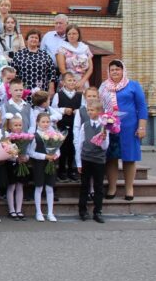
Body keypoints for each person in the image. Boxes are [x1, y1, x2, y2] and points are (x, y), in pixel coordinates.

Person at [98, 60, 148, 201]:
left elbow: (142, 107)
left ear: (123, 70)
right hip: (110, 127)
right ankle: (112, 187)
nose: (115, 72)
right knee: (111, 158)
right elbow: (99, 106)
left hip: (130, 127)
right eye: (112, 69)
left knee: (129, 158)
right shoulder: (104, 86)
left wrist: (142, 127)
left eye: (117, 69)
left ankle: (129, 188)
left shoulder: (133, 85)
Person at [75, 99, 108, 223]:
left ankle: (97, 211)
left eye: (92, 110)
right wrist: (78, 162)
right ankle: (82, 211)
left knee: (98, 186)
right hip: (86, 158)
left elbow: (105, 147)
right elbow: (80, 143)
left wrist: (103, 138)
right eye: (88, 110)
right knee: (84, 185)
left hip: (98, 160)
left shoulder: (104, 126)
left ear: (99, 112)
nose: (89, 112)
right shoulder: (85, 125)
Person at [28, 112, 59, 222]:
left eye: (47, 122)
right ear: (37, 123)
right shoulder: (35, 136)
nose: (45, 124)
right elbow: (31, 152)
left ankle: (50, 212)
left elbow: (58, 148)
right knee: (39, 187)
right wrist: (44, 156)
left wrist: (55, 155)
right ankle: (39, 212)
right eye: (43, 122)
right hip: (39, 164)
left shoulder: (54, 135)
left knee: (50, 187)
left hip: (50, 163)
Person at [13, 29, 56, 94]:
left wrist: (51, 88)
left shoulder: (45, 55)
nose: (34, 39)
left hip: (41, 89)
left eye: (36, 38)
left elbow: (51, 73)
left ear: (39, 41)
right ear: (27, 39)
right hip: (23, 89)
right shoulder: (19, 54)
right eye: (32, 37)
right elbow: (14, 72)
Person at [56, 24, 92, 91]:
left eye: (74, 33)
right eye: (69, 34)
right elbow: (62, 68)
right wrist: (72, 82)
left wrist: (82, 81)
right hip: (67, 81)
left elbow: (90, 68)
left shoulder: (85, 48)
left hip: (82, 81)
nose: (71, 36)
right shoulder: (62, 48)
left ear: (78, 35)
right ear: (66, 35)